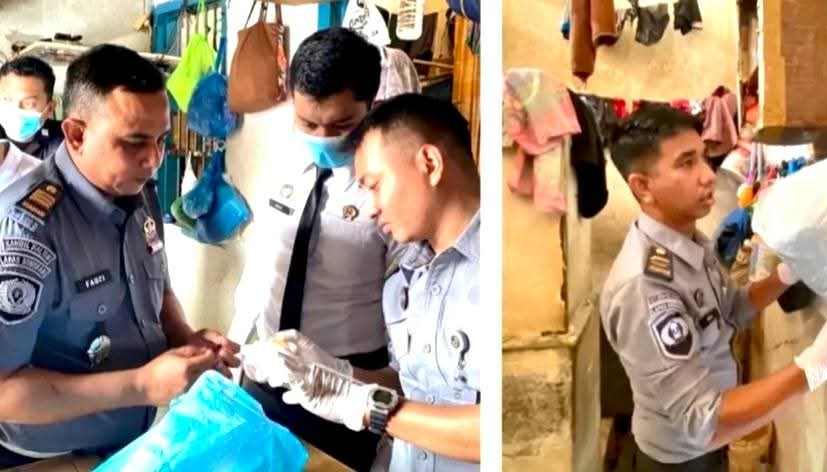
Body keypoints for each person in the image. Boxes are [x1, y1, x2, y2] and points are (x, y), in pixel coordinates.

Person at [0, 44, 239, 468]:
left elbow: (157, 287)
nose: (154, 160)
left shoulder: (137, 190)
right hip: (51, 456)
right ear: (76, 134)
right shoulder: (27, 229)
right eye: (134, 143)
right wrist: (143, 385)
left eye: (161, 140)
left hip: (135, 442)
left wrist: (183, 337)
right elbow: (4, 392)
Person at [599, 105, 827, 471]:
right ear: (643, 187)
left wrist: (787, 275)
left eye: (704, 158)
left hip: (711, 441)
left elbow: (733, 310)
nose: (708, 175)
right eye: (686, 163)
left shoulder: (690, 243)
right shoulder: (645, 288)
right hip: (680, 460)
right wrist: (816, 364)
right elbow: (699, 417)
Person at [243, 93, 481, 470]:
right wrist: (334, 374)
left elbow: (501, 426)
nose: (371, 209)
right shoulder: (407, 281)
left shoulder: (497, 271)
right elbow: (416, 388)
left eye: (374, 185)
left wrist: (362, 404)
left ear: (430, 164)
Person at [228, 27, 405, 471]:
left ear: (370, 106)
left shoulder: (391, 189)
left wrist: (365, 385)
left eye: (341, 126)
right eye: (308, 123)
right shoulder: (284, 159)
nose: (323, 137)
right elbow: (263, 263)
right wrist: (235, 349)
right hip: (267, 373)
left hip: (346, 386)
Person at [0, 56, 65, 160]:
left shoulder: (65, 142)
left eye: (28, 103)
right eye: (6, 100)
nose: (14, 109)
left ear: (49, 108)